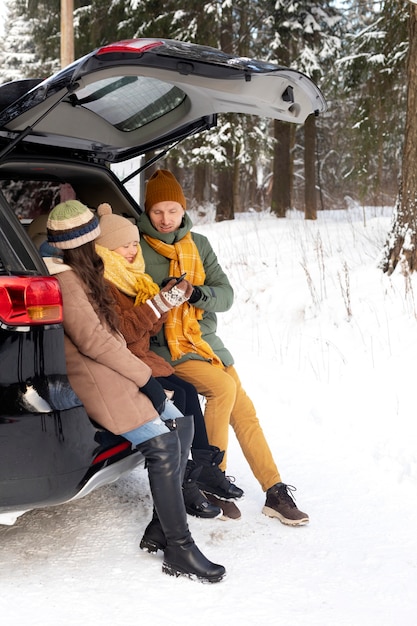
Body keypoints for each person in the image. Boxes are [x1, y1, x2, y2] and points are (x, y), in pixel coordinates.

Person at [45, 199, 226, 583]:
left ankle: (160, 528)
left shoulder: (83, 273)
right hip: (98, 378)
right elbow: (95, 341)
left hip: (114, 368)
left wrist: (144, 374)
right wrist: (146, 379)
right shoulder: (66, 280)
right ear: (83, 243)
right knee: (161, 446)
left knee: (182, 425)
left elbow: (111, 338)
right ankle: (179, 548)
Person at [138, 169, 309, 526]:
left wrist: (197, 294)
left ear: (182, 210)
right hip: (166, 350)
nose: (166, 219)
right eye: (158, 212)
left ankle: (274, 491)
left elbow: (226, 295)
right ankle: (211, 478)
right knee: (223, 389)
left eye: (172, 210)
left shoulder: (198, 244)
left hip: (205, 344)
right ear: (147, 211)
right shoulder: (136, 248)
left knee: (245, 413)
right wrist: (163, 298)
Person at [93, 202, 242, 523]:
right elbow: (126, 329)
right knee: (179, 397)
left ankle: (203, 467)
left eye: (135, 243)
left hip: (141, 358)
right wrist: (159, 303)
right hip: (121, 365)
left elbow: (149, 326)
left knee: (186, 391)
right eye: (125, 244)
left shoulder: (132, 277)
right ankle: (186, 481)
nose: (133, 250)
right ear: (106, 248)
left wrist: (162, 301)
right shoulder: (104, 282)